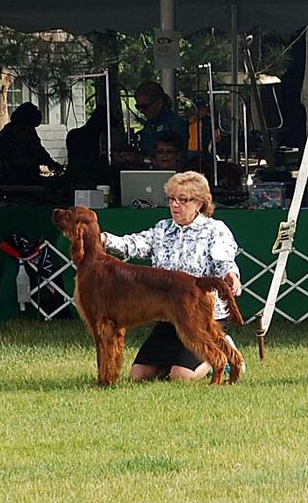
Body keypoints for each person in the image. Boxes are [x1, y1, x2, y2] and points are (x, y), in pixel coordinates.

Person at [101, 171, 244, 381]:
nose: (175, 205)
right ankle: (183, 359)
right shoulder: (162, 228)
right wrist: (104, 238)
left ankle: (219, 351)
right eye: (171, 199)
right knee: (139, 375)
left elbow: (223, 259)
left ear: (199, 203)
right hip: (169, 316)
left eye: (183, 200)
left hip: (200, 315)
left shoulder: (215, 230)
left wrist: (231, 275)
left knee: (181, 376)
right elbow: (134, 244)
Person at [0, 102, 62, 186]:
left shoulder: (30, 135)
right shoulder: (1, 140)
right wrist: (30, 162)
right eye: (28, 128)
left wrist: (52, 164)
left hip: (31, 182)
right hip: (7, 185)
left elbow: (39, 151)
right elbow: (1, 168)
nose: (30, 131)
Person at [133, 81, 190, 158]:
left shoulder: (174, 124)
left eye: (144, 106)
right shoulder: (149, 124)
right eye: (138, 106)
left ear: (159, 103)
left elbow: (174, 159)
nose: (141, 110)